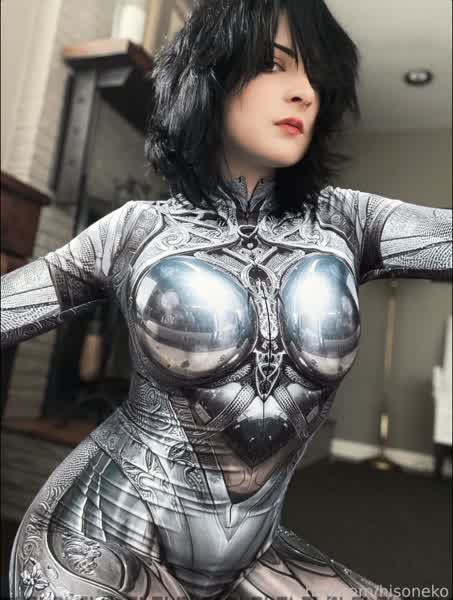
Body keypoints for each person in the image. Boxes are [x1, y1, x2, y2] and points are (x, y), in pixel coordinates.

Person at [1, 1, 451, 598]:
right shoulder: (133, 230)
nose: (305, 93)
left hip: (247, 555)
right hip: (97, 544)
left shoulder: (352, 221)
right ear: (208, 76)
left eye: (317, 76)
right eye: (274, 64)